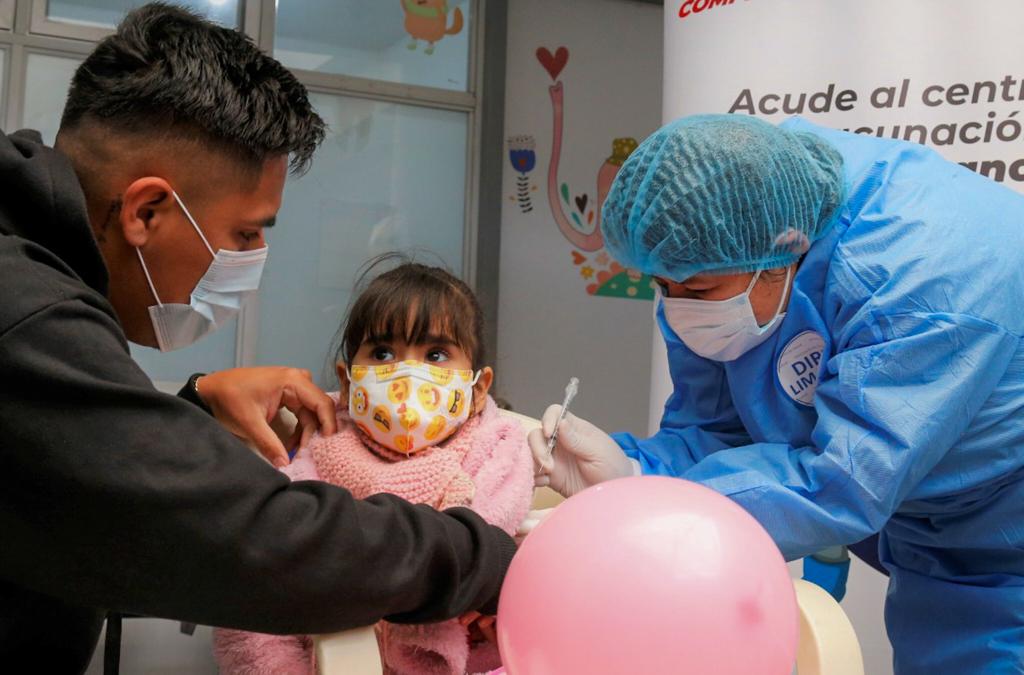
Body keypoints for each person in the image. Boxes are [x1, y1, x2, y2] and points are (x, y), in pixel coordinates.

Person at [0, 5, 514, 671]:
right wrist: (484, 554)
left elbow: (55, 470)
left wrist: (193, 409)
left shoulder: (31, 270)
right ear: (146, 211)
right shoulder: (25, 311)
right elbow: (253, 537)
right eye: (245, 233)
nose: (255, 257)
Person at [531, 113, 1024, 674]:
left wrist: (645, 507)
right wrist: (631, 471)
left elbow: (842, 480)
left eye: (695, 289)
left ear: (785, 252)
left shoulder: (923, 283)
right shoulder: (737, 211)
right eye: (662, 287)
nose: (678, 308)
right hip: (930, 526)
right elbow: (712, 432)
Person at [213, 260, 533, 674]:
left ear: (477, 388)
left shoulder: (498, 448)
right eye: (383, 353)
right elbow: (271, 571)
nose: (407, 374)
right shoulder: (317, 446)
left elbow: (488, 557)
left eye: (436, 354)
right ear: (348, 382)